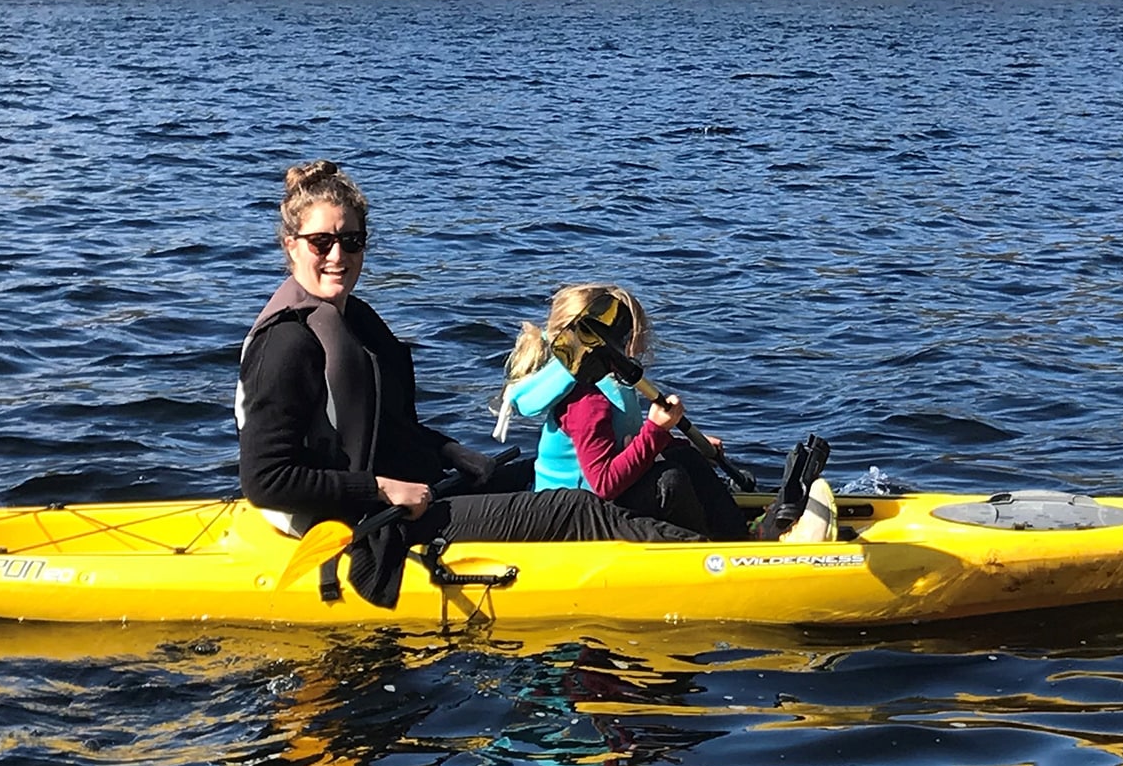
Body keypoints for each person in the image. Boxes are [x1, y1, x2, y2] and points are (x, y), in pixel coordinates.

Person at [236, 161, 699, 608]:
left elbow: (384, 426)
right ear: (291, 245)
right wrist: (380, 488)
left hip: (405, 494)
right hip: (363, 520)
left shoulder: (354, 319)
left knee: (533, 475)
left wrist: (448, 452)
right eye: (321, 243)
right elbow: (265, 481)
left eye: (352, 241)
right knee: (575, 507)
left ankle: (729, 535)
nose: (338, 256)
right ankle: (712, 562)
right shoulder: (285, 345)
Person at [498, 284, 836, 542]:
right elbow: (602, 484)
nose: (639, 343)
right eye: (630, 335)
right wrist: (656, 433)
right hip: (576, 518)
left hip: (596, 500)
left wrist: (672, 441)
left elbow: (623, 442)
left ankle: (743, 536)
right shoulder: (586, 401)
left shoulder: (605, 384)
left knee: (686, 460)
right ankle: (727, 548)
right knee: (669, 483)